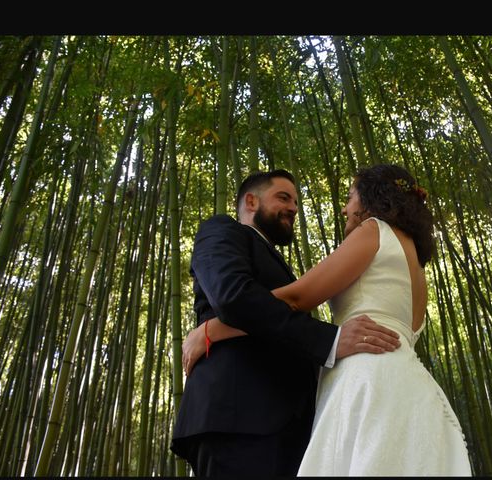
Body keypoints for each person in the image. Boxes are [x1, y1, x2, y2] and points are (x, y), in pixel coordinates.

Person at [182, 164, 472, 475]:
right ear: (251, 202)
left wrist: (214, 329)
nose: (345, 207)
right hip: (406, 383)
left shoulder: (373, 230)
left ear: (371, 197)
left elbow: (296, 298)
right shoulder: (415, 263)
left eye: (350, 196)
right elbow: (235, 294)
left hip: (366, 381)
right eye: (284, 198)